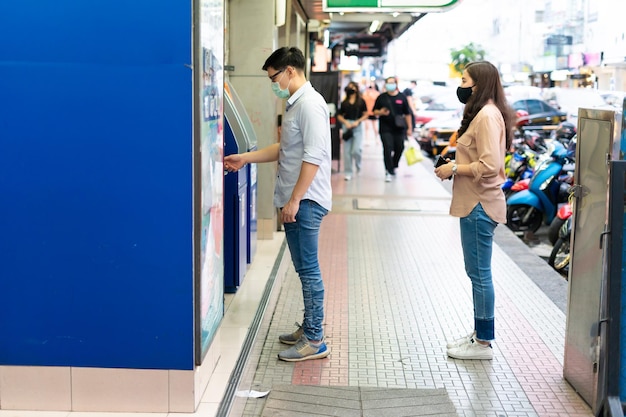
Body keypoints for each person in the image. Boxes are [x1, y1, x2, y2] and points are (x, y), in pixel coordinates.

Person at [224, 47, 332, 362]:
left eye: (274, 77)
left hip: (307, 201)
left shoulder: (310, 106)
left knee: (309, 270)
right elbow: (284, 148)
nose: (273, 83)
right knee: (303, 269)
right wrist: (244, 157)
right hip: (298, 199)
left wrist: (296, 199)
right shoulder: (296, 104)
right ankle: (310, 327)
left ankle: (315, 340)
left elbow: (314, 156)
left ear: (289, 71)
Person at [434, 61, 517, 360]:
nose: (462, 84)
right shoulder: (485, 114)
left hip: (479, 205)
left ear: (478, 84)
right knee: (476, 272)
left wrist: (455, 167)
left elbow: (490, 165)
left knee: (480, 274)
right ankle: (479, 335)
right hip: (475, 203)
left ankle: (483, 342)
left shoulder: (487, 116)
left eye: (465, 79)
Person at [373, 76, 413, 182]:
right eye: (388, 83)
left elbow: (407, 113)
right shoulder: (381, 97)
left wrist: (409, 128)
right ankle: (388, 171)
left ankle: (394, 165)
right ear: (385, 85)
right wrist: (381, 112)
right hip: (385, 128)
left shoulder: (402, 97)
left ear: (396, 84)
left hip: (399, 128)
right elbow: (374, 111)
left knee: (399, 147)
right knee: (387, 148)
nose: (390, 85)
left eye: (392, 83)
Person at [337, 81, 368, 180]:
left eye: (353, 87)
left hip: (357, 126)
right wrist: (345, 122)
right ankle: (348, 172)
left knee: (356, 150)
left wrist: (358, 121)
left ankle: (358, 165)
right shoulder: (344, 102)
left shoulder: (361, 101)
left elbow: (366, 114)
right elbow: (339, 115)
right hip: (347, 125)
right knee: (346, 151)